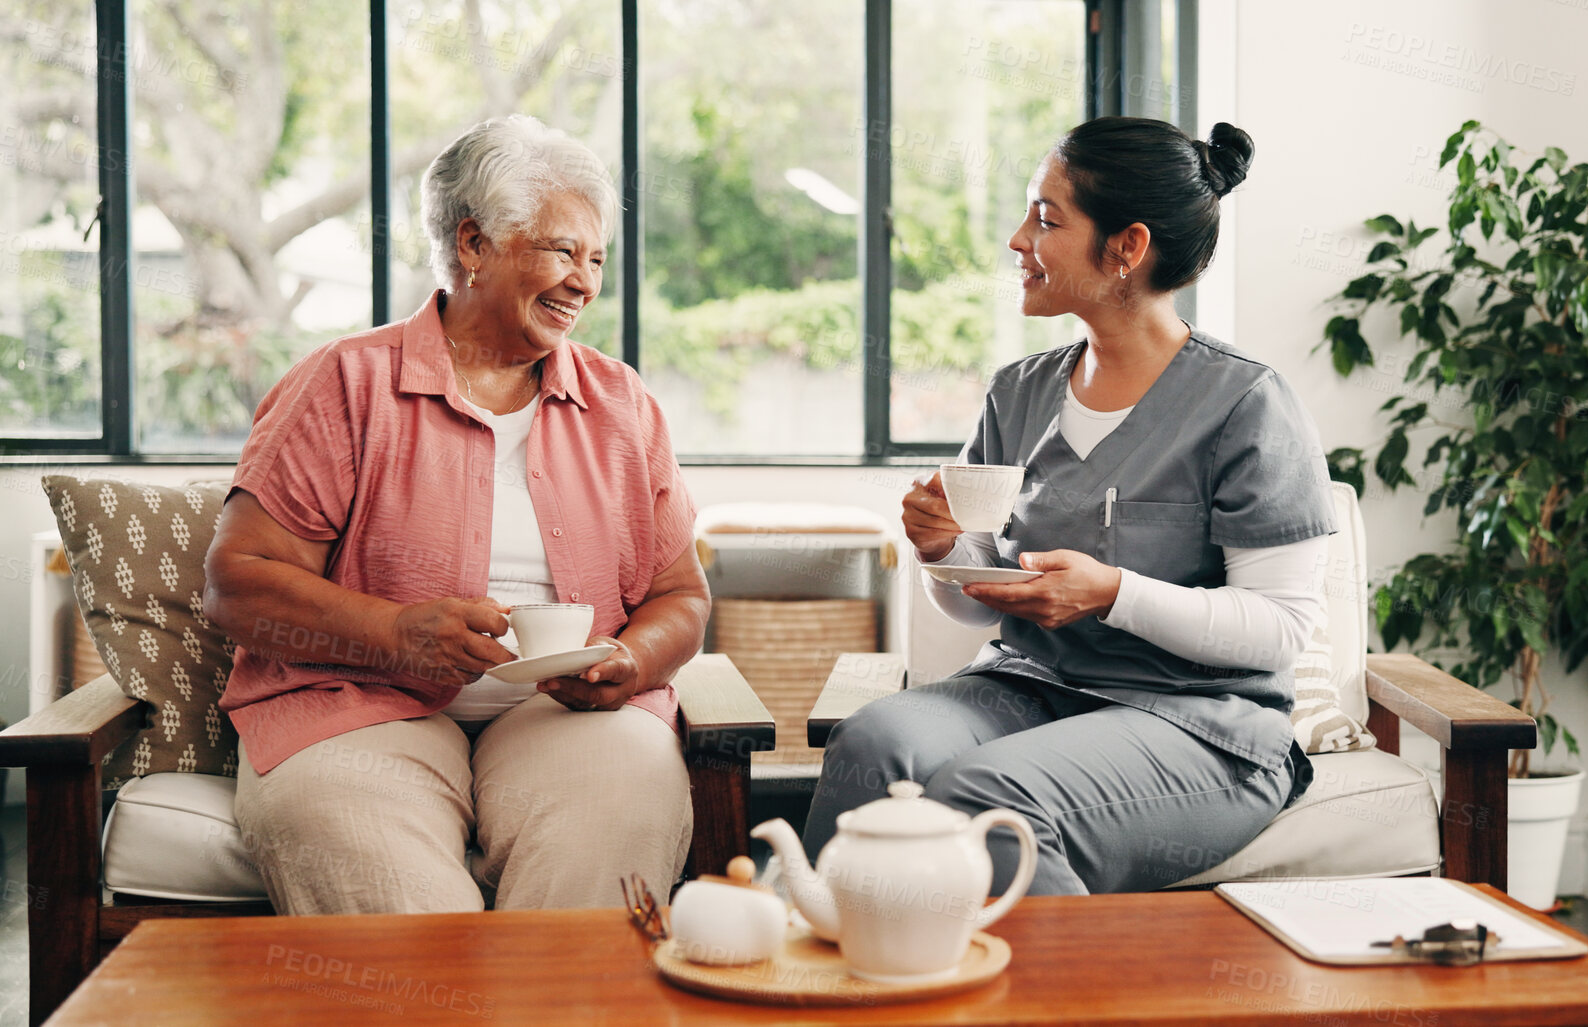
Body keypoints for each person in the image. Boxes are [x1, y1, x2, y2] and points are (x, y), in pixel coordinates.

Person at [804, 118, 1334, 894]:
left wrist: (1111, 594)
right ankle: (836, 997)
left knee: (993, 798)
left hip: (1199, 723)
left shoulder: (1244, 402)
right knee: (871, 740)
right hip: (1030, 688)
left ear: (1126, 247)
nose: (1019, 239)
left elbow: (1280, 627)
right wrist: (943, 549)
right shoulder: (1017, 391)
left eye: (1046, 219)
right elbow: (981, 606)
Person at [205, 114, 706, 914]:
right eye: (562, 251)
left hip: (569, 717)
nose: (584, 281)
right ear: (472, 245)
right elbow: (237, 586)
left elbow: (682, 597)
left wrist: (632, 663)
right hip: (354, 707)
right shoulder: (344, 384)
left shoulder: (622, 403)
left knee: (616, 816)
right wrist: (396, 634)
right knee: (400, 905)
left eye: (596, 259)